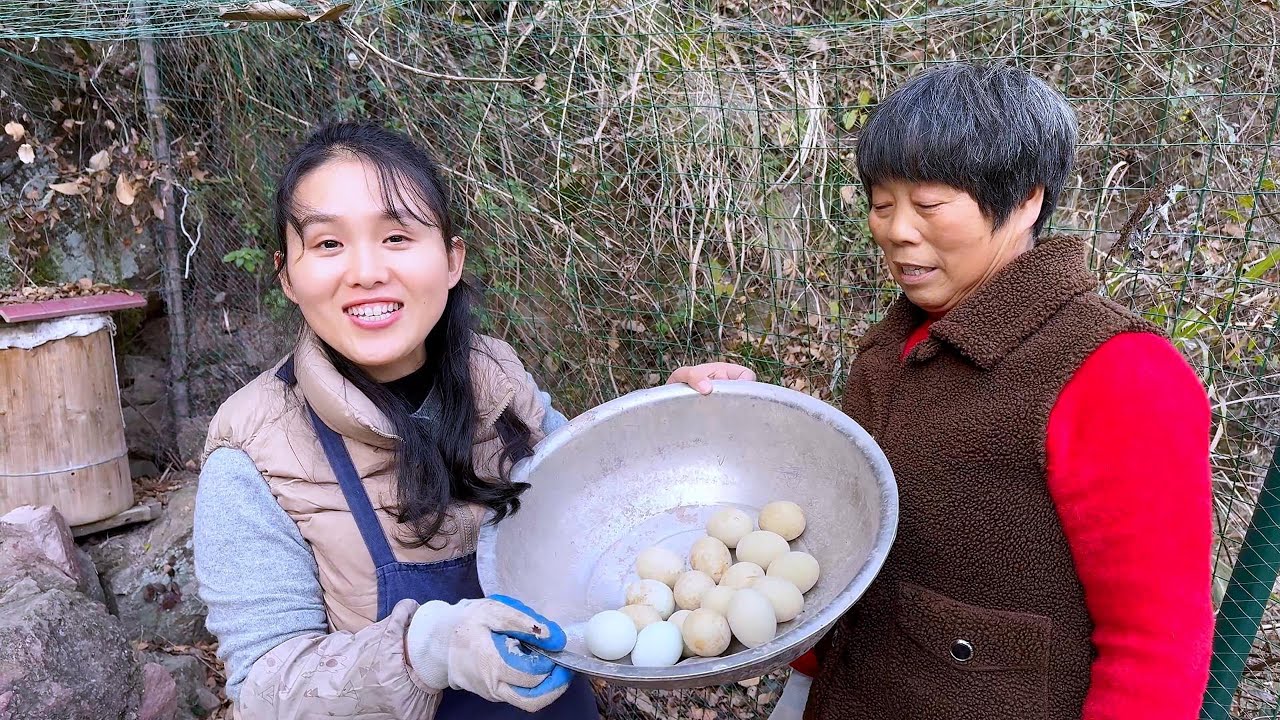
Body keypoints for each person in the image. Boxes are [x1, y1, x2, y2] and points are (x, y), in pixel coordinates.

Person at [671, 62, 1214, 720]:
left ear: (1026, 201)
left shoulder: (1119, 373)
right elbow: (853, 525)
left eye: (927, 204)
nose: (896, 230)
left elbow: (1157, 643)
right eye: (880, 203)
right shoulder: (894, 350)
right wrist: (746, 423)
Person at [193, 122, 603, 718]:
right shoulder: (253, 453)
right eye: (329, 244)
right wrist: (426, 650)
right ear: (286, 275)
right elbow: (263, 691)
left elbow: (599, 507)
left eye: (397, 236)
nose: (366, 271)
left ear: (451, 258)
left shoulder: (498, 378)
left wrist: (679, 423)